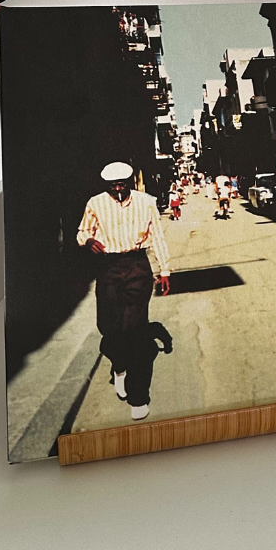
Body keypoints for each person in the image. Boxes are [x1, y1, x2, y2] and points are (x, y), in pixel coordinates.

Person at [77, 162, 172, 421]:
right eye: (113, 185)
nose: (118, 189)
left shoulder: (146, 202)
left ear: (129, 181)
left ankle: (138, 396)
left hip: (137, 267)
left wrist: (164, 270)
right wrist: (88, 240)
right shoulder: (95, 203)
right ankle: (119, 367)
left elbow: (158, 236)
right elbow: (82, 231)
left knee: (135, 331)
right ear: (106, 185)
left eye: (122, 184)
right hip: (108, 269)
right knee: (109, 327)